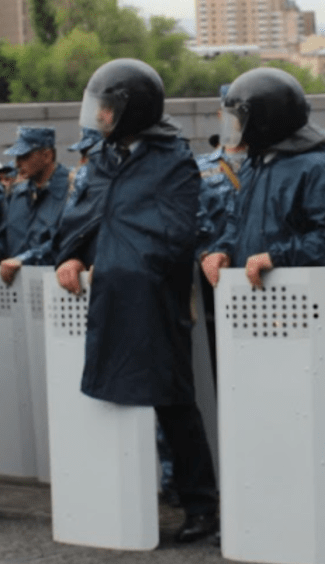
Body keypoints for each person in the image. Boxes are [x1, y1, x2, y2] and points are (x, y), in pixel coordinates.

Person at [51, 58, 219, 544]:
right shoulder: (102, 158)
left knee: (173, 402)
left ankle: (200, 505)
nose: (98, 116)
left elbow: (175, 231)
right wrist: (73, 256)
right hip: (107, 299)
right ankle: (119, 501)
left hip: (156, 300)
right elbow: (81, 217)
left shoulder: (172, 161)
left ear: (130, 111)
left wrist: (127, 264)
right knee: (111, 405)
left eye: (106, 108)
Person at [201, 66, 325, 296]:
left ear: (263, 120)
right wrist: (223, 250)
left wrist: (278, 257)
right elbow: (238, 222)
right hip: (262, 303)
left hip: (308, 305)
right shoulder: (255, 165)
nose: (235, 129)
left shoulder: (316, 168)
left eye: (239, 120)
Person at [0, 126, 69, 282]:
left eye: (24, 156)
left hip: (55, 289)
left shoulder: (70, 192)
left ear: (46, 156)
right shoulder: (17, 193)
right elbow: (3, 237)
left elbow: (66, 242)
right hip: (17, 288)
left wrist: (25, 260)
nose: (17, 164)